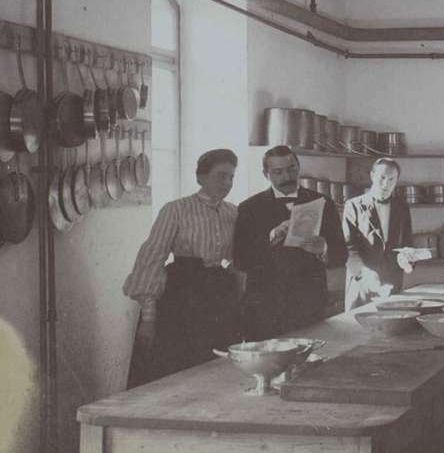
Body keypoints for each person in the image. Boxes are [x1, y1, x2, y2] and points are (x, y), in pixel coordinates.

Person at [123, 149, 242, 388]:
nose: (227, 183)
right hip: (182, 295)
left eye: (231, 177)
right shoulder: (175, 209)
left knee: (215, 371)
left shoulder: (233, 212)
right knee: (176, 370)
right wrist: (149, 318)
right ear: (201, 177)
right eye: (221, 176)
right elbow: (151, 260)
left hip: (217, 296)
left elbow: (237, 255)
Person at [234, 145, 346, 340]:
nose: (287, 176)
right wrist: (270, 238)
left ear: (299, 166)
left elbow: (341, 255)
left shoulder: (323, 202)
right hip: (264, 309)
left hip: (308, 306)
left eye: (292, 169)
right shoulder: (248, 208)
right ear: (265, 174)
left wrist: (324, 248)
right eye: (278, 172)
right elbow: (241, 260)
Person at [342, 157, 414, 310]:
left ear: (396, 181)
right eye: (382, 177)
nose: (385, 184)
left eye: (391, 179)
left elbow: (408, 244)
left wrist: (408, 260)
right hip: (361, 285)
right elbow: (348, 247)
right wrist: (364, 273)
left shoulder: (402, 207)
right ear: (372, 175)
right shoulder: (353, 205)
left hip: (392, 284)